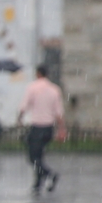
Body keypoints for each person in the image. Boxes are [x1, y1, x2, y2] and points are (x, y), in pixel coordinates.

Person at [18, 65, 66, 194]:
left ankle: (49, 174)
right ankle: (37, 183)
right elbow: (58, 112)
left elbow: (24, 105)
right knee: (39, 156)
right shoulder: (54, 89)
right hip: (48, 127)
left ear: (37, 74)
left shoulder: (33, 88)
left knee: (33, 157)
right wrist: (62, 129)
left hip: (37, 126)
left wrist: (20, 118)